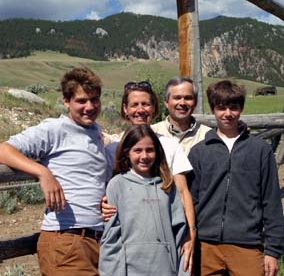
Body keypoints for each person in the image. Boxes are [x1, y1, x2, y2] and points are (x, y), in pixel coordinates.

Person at [0, 67, 109, 275]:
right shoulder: (54, 129)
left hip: (95, 240)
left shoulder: (95, 131)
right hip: (66, 239)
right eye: (81, 101)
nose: (90, 107)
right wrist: (42, 172)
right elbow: (3, 150)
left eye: (95, 100)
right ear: (66, 101)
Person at [187, 80, 284, 276]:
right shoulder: (199, 152)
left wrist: (272, 250)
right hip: (206, 246)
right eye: (221, 108)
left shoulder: (260, 150)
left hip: (247, 245)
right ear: (213, 110)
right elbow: (191, 199)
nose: (228, 113)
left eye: (234, 107)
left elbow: (271, 200)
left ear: (241, 109)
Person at [102, 81, 195, 273]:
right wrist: (102, 205)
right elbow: (107, 189)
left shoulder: (168, 146)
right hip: (129, 244)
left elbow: (182, 193)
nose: (140, 110)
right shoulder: (113, 148)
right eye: (134, 105)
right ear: (125, 109)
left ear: (154, 108)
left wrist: (190, 234)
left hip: (162, 248)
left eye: (145, 104)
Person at [99, 124, 187, 275]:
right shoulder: (117, 184)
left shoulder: (167, 185)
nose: (144, 156)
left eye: (149, 150)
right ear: (127, 153)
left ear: (157, 152)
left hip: (166, 269)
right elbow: (111, 238)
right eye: (138, 150)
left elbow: (180, 234)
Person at [151, 77, 211, 155]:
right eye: (177, 98)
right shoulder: (153, 133)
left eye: (188, 98)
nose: (182, 103)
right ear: (166, 102)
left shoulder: (207, 136)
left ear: (195, 103)